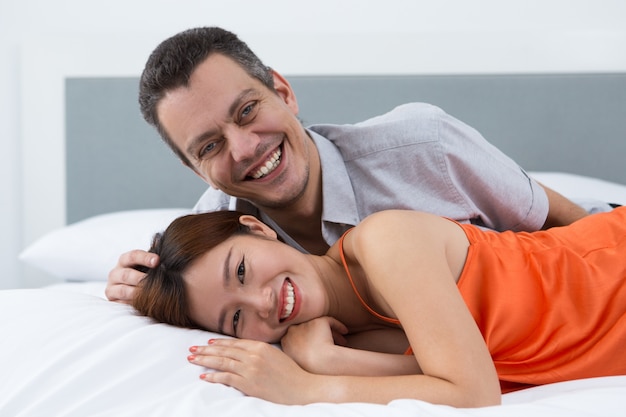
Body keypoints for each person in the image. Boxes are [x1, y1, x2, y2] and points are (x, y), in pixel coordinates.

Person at [106, 26, 602, 303]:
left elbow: (579, 229)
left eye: (247, 111)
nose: (243, 148)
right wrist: (139, 288)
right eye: (209, 147)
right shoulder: (213, 240)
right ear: (196, 170)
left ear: (283, 91)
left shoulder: (423, 147)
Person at [131, 206, 626, 407]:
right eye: (235, 319)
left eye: (241, 271)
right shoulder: (340, 336)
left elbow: (475, 393)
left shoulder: (387, 242)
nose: (263, 303)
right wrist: (332, 358)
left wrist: (310, 385)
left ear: (258, 228)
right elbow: (455, 373)